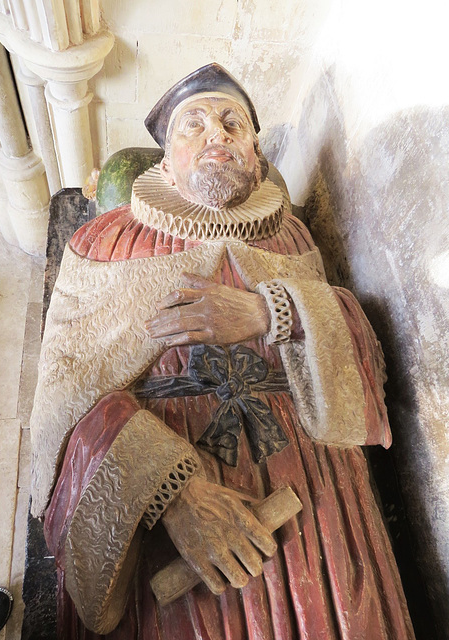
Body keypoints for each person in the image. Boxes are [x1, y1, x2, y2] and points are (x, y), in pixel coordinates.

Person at [30, 63, 416, 639]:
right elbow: (61, 405)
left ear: (256, 156)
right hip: (169, 514)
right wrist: (170, 492)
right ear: (165, 160)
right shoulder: (105, 239)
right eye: (195, 123)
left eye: (233, 122)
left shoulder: (291, 238)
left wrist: (272, 311)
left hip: (309, 488)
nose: (218, 132)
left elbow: (357, 343)